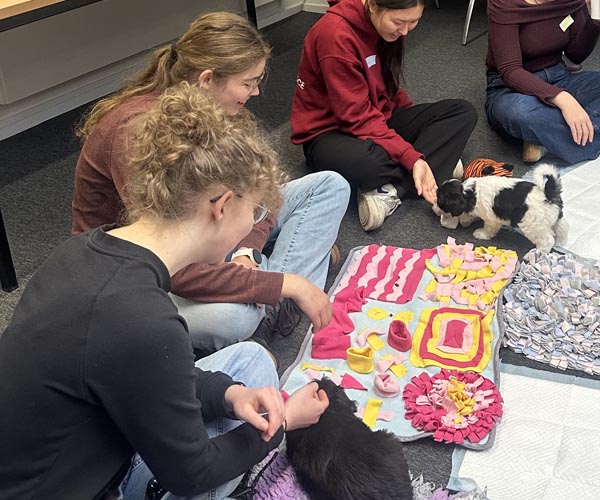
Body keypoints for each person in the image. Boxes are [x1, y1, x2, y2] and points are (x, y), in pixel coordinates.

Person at [0, 84, 330, 500]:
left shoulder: (84, 250)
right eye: (255, 211)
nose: (253, 224)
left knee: (249, 363)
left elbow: (143, 368)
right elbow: (193, 473)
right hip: (79, 487)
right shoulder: (144, 320)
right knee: (254, 417)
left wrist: (227, 395)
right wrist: (283, 426)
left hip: (49, 455)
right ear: (222, 206)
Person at [72, 11, 350, 352]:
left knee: (329, 186)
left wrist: (248, 252)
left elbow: (256, 194)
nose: (256, 92)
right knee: (234, 318)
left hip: (211, 231)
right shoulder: (138, 133)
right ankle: (281, 292)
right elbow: (173, 263)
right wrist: (280, 282)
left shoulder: (214, 110)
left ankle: (270, 293)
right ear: (206, 79)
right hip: (145, 271)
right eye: (247, 83)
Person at [290, 0, 477, 232]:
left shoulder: (388, 30)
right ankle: (432, 162)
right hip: (329, 133)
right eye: (399, 22)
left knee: (462, 113)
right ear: (372, 5)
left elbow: (388, 85)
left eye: (414, 22)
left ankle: (391, 190)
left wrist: (414, 124)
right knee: (369, 163)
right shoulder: (334, 34)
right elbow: (355, 118)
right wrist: (412, 157)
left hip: (374, 118)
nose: (405, 31)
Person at [486, 0, 600, 164]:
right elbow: (510, 71)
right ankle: (564, 134)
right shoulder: (504, 3)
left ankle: (549, 138)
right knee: (519, 112)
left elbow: (575, 56)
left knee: (547, 116)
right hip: (511, 89)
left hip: (559, 76)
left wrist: (593, 22)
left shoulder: (572, 2)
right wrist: (564, 100)